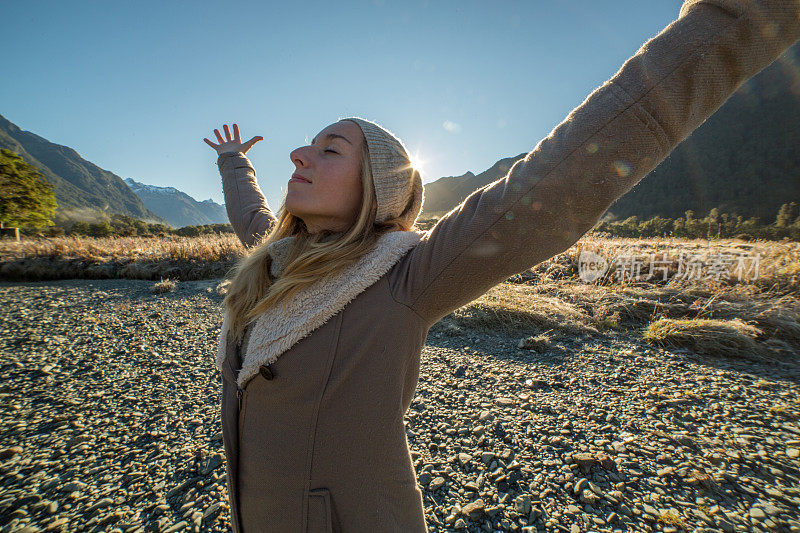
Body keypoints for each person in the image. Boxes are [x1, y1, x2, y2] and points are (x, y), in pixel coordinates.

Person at [203, 1, 800, 531]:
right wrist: (233, 163)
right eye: (310, 143)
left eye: (329, 149)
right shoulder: (276, 261)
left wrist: (735, 18)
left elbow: (553, 180)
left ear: (375, 189)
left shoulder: (407, 276)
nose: (299, 153)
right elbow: (251, 214)